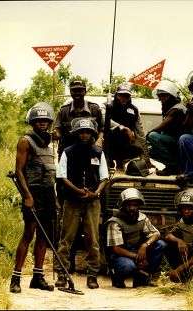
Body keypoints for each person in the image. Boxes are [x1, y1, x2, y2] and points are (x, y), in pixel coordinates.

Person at [54, 117, 109, 289]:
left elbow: (104, 177)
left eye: (88, 132)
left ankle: (92, 274)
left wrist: (96, 193)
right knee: (66, 239)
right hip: (72, 200)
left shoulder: (98, 152)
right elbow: (62, 176)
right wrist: (77, 191)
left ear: (93, 134)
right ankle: (62, 273)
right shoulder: (68, 152)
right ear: (76, 134)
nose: (85, 135)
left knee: (93, 240)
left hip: (92, 202)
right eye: (81, 132)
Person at [10, 102, 58, 293]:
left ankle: (38, 277)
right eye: (38, 121)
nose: (42, 124)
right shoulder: (25, 141)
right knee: (28, 233)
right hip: (34, 191)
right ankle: (16, 278)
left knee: (44, 236)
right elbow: (18, 171)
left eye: (45, 121)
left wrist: (55, 196)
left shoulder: (49, 141)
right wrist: (27, 196)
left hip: (48, 191)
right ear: (32, 122)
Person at [105, 188, 166, 288]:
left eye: (135, 205)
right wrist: (139, 258)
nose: (132, 208)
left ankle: (142, 278)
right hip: (120, 255)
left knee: (160, 245)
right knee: (128, 267)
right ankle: (117, 277)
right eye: (128, 205)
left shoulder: (142, 217)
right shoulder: (115, 222)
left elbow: (156, 234)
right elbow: (116, 249)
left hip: (137, 250)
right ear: (122, 205)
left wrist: (145, 245)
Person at [103, 82, 155, 170]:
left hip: (125, 143)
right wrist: (124, 128)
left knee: (138, 148)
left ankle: (121, 161)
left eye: (127, 96)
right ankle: (109, 161)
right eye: (121, 95)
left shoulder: (134, 110)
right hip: (107, 143)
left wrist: (146, 159)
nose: (124, 98)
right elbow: (104, 120)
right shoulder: (106, 106)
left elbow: (140, 133)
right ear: (116, 95)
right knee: (119, 132)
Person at [147, 80, 192, 176]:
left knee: (153, 136)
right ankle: (174, 164)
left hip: (180, 142)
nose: (161, 98)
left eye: (164, 95)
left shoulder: (176, 109)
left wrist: (147, 134)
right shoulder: (169, 107)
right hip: (174, 142)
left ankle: (172, 167)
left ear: (172, 96)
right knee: (148, 150)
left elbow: (160, 128)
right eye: (160, 96)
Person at [52, 79, 105, 158]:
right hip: (68, 152)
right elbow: (58, 130)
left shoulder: (94, 108)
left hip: (89, 151)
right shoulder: (64, 110)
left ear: (85, 91)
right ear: (70, 92)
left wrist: (100, 140)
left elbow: (102, 128)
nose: (77, 93)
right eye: (74, 90)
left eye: (80, 91)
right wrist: (55, 134)